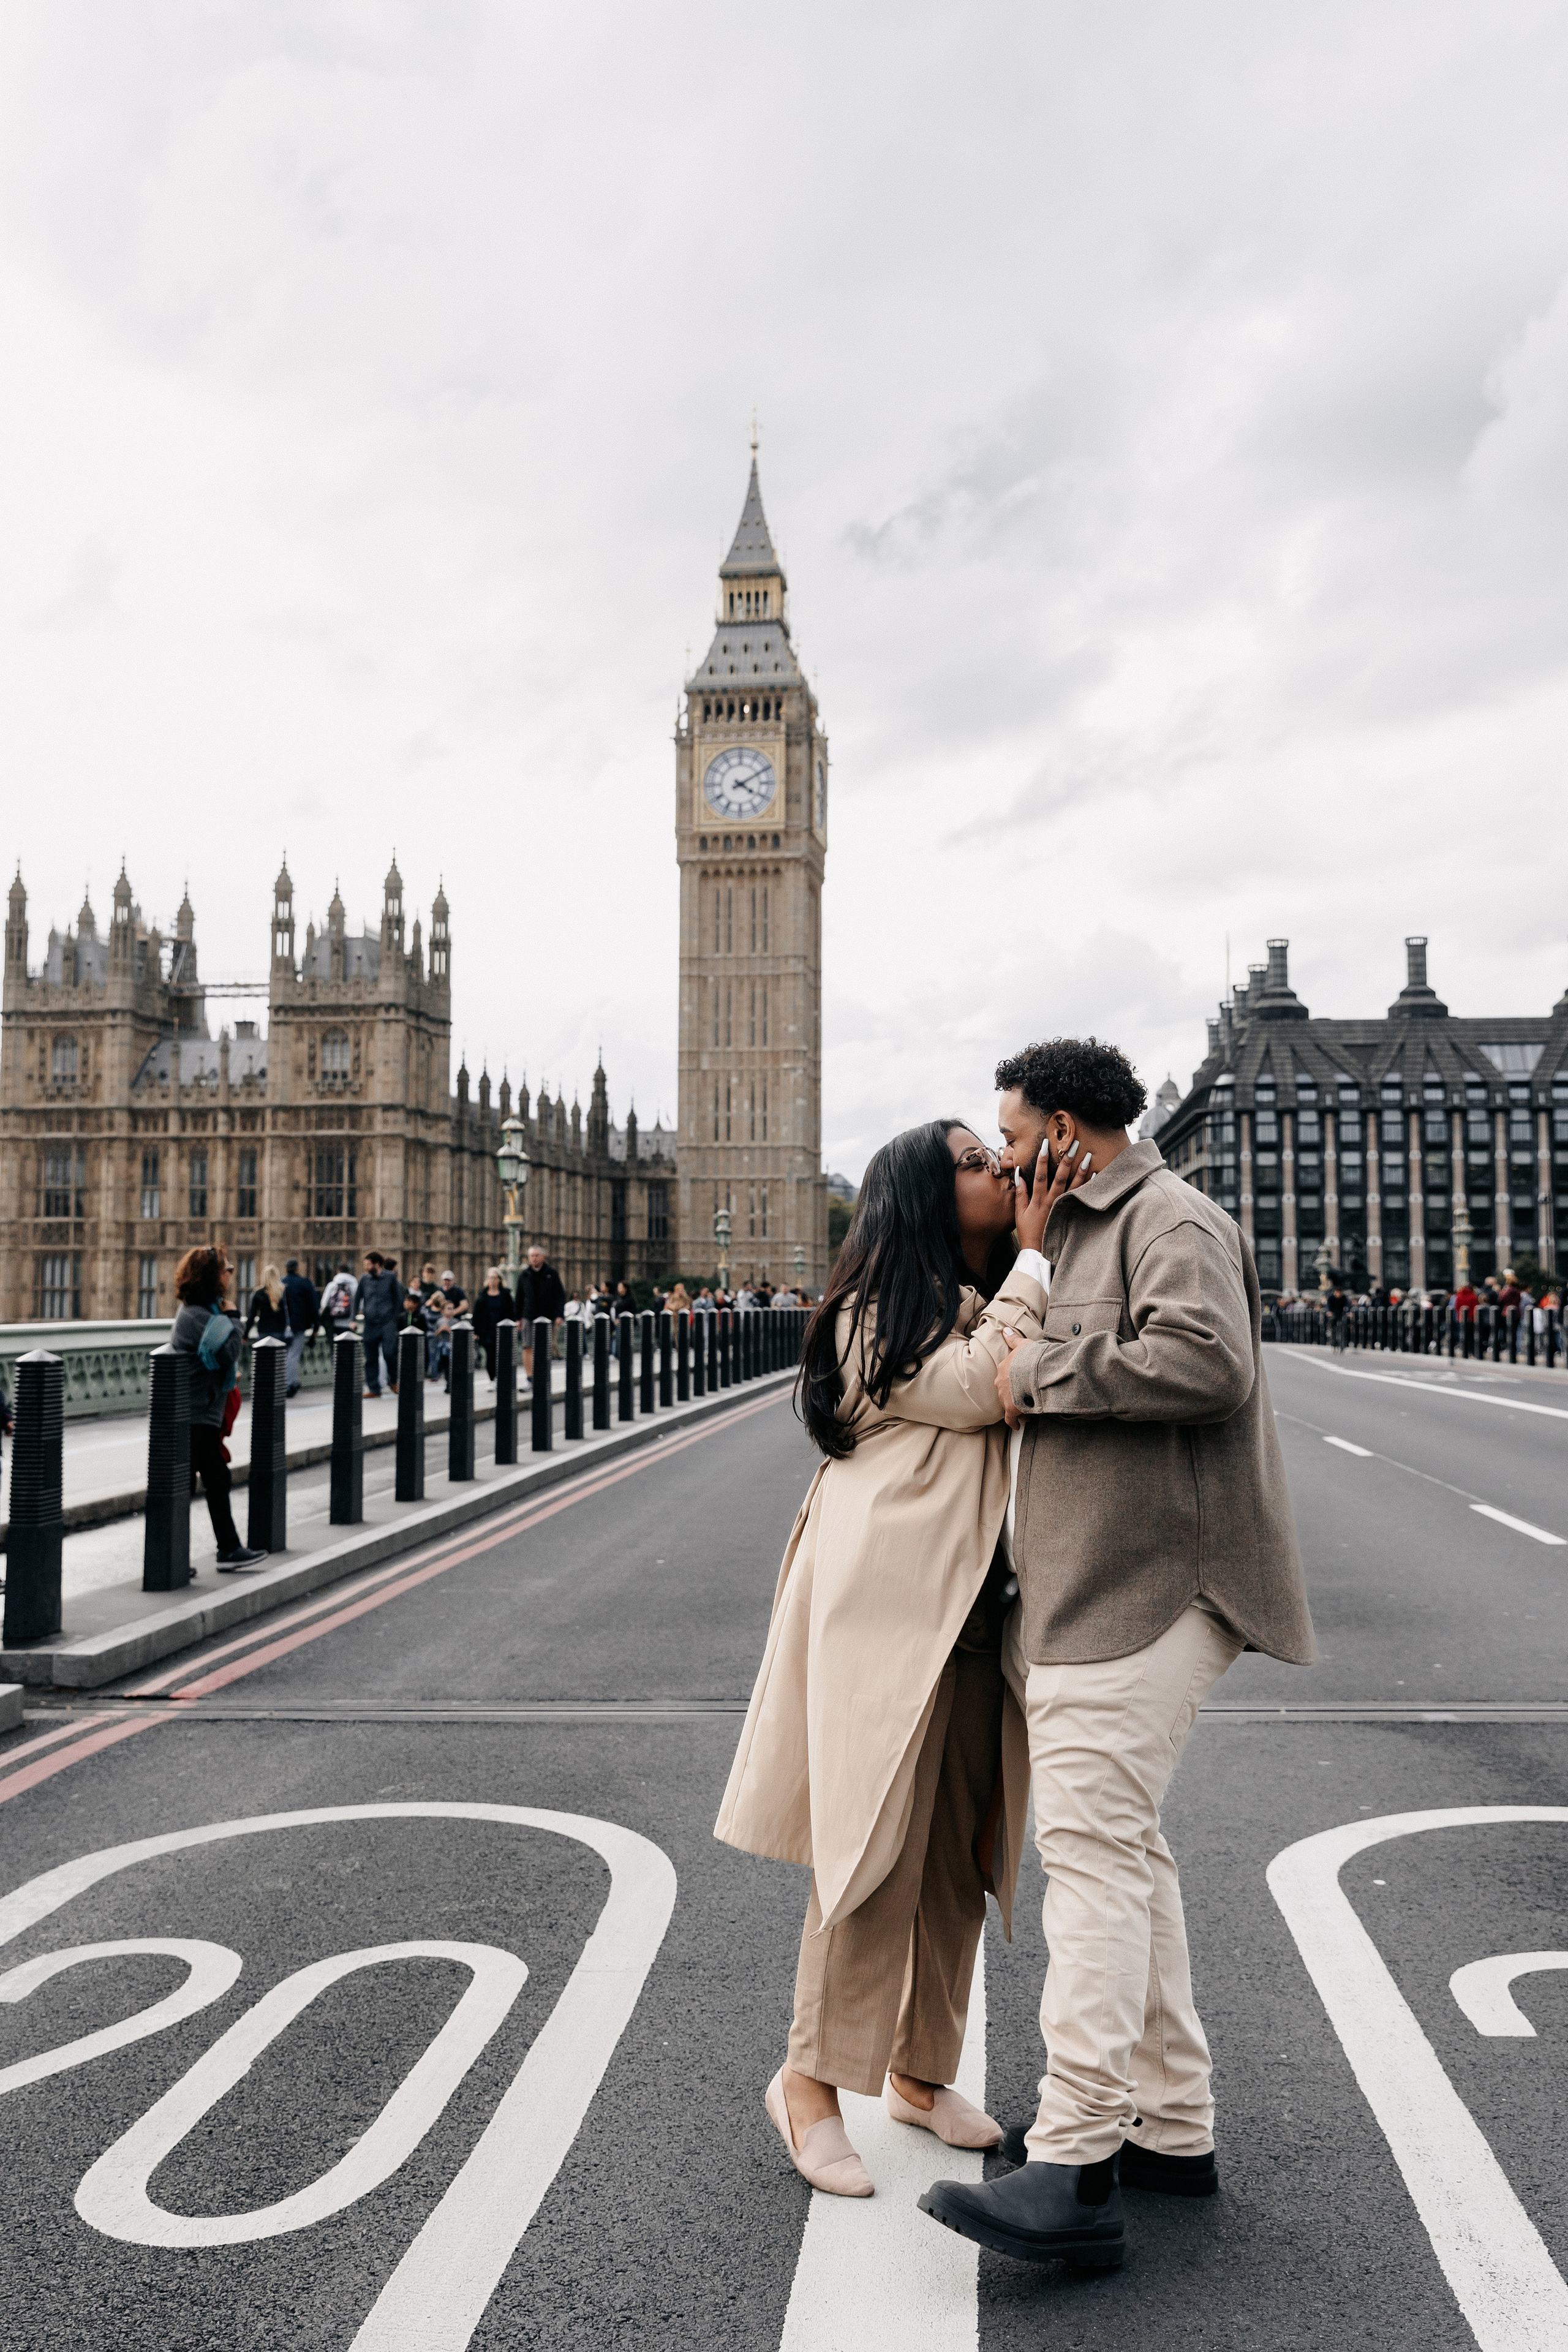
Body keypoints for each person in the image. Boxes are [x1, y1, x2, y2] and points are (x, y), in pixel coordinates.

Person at [918, 1038, 1314, 2272]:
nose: (1002, 1150)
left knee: (1085, 1859)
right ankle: (1169, 2128)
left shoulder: (1165, 1215)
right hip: (1093, 1589)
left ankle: (1076, 2166)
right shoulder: (1079, 1230)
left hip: (1151, 1587)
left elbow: (1204, 1360)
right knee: (1126, 1854)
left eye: (1012, 1129)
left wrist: (1043, 1369)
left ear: (1065, 1133)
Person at [717, 1117, 1068, 2198]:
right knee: (869, 1850)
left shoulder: (979, 1295)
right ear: (921, 1196)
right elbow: (977, 1386)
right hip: (883, 1609)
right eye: (973, 1162)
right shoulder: (875, 1314)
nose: (1000, 1171)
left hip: (975, 1609)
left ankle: (921, 2071)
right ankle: (809, 2086)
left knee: (962, 1855)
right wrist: (1041, 1258)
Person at [170, 1246, 267, 1572]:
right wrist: (234, 1317)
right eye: (227, 1269)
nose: (231, 1275)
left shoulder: (203, 1313)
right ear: (211, 1276)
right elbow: (227, 1353)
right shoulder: (200, 1316)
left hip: (199, 1411)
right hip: (194, 1414)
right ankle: (225, 1549)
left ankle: (177, 1557)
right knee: (210, 1479)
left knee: (195, 1482)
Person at [516, 1243, 567, 1386]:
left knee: (544, 1348)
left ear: (543, 1257)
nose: (534, 1258)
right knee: (527, 1347)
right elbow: (519, 1297)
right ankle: (530, 1378)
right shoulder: (525, 1274)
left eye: (537, 1255)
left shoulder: (552, 1273)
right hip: (529, 1315)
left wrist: (559, 1315)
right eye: (532, 1256)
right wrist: (517, 1318)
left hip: (547, 1317)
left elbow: (560, 1295)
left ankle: (542, 1375)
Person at [358, 1250, 403, 1398]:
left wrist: (394, 1318)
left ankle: (394, 1380)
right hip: (370, 1323)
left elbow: (398, 1299)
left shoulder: (390, 1278)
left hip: (387, 1323)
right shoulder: (364, 1279)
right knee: (370, 1357)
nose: (365, 1267)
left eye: (368, 1264)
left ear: (377, 1264)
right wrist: (353, 1319)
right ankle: (374, 1389)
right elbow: (357, 1299)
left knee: (389, 1353)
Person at [281, 1259, 320, 1398]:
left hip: (280, 1325)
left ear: (286, 1269)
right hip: (299, 1325)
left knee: (284, 1355)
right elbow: (314, 1307)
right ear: (297, 1269)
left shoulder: (280, 1283)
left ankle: (293, 1381)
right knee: (293, 1355)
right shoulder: (305, 1284)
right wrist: (316, 1327)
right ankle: (289, 1384)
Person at [472, 1269, 516, 1381]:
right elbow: (476, 1314)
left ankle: (501, 1378)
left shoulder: (506, 1295)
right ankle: (492, 1378)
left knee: (502, 1356)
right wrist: (476, 1332)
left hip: (503, 1331)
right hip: (487, 1331)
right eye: (490, 1277)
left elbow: (512, 1312)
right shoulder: (482, 1295)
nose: (491, 1280)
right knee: (490, 1356)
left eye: (494, 1278)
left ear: (500, 1280)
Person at [244, 1265, 287, 1344]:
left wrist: (245, 1334)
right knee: (278, 1355)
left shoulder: (258, 1293)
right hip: (279, 1330)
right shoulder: (284, 1292)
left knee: (265, 1355)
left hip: (263, 1330)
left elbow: (252, 1315)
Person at [321, 1260, 358, 1341]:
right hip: (350, 1323)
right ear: (349, 1273)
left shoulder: (332, 1285)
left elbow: (324, 1304)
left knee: (336, 1350)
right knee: (348, 1349)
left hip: (334, 1322)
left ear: (338, 1272)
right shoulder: (355, 1286)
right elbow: (360, 1305)